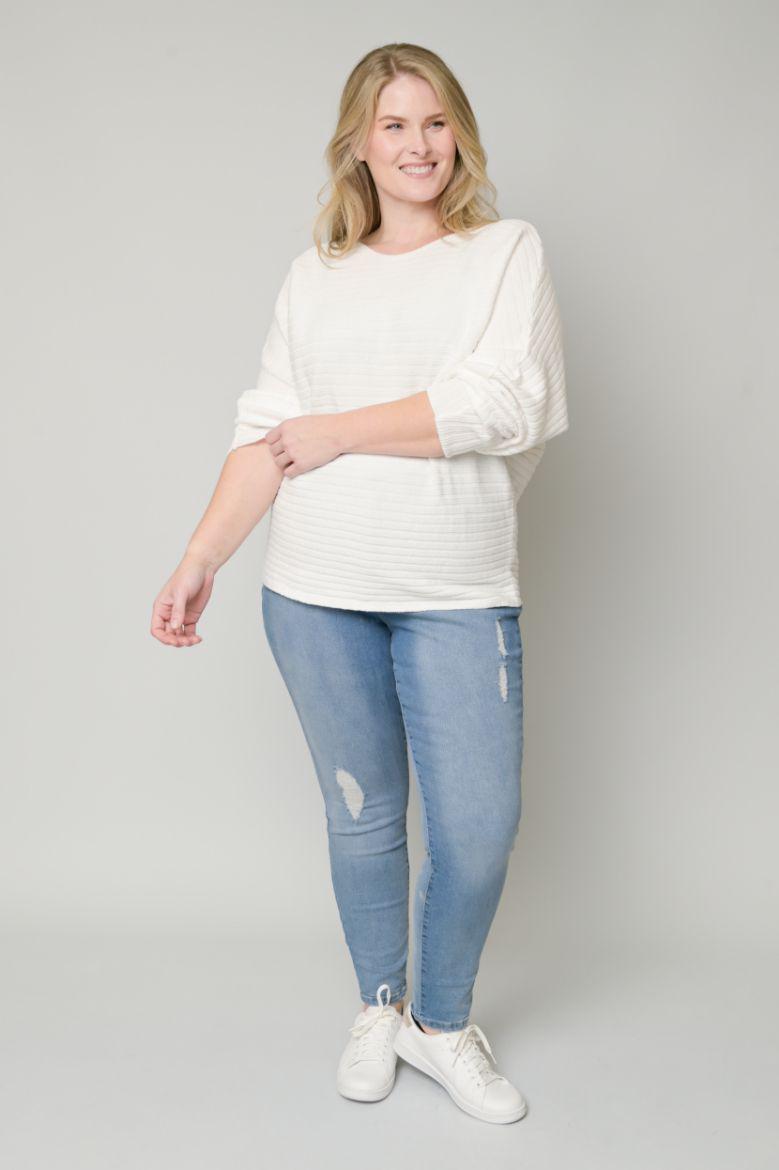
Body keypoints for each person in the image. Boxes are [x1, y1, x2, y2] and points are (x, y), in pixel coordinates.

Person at [151, 43, 569, 1126]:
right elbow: (265, 433)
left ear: (458, 134)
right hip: (313, 590)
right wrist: (201, 556)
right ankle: (379, 1010)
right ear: (357, 144)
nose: (417, 145)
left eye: (434, 122)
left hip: (456, 586)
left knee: (476, 828)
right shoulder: (315, 277)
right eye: (393, 125)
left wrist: (336, 431)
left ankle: (442, 1021)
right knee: (362, 816)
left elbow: (503, 404)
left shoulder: (503, 252)